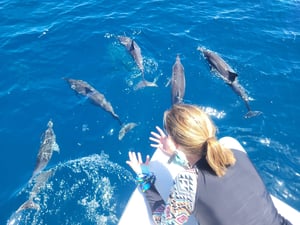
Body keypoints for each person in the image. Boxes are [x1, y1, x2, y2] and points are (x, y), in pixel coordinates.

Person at [126, 103, 292, 225]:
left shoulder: (187, 183)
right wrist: (177, 156)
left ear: (176, 143)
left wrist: (145, 178)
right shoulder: (235, 152)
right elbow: (209, 173)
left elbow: (165, 222)